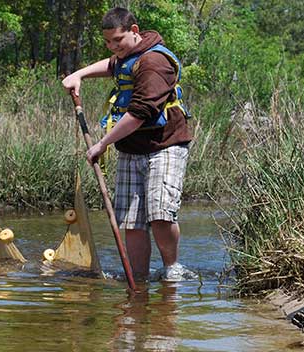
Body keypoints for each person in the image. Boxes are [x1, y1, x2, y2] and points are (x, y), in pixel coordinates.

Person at [61, 8, 193, 281]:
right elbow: (111, 65)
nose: (113, 47)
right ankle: (138, 277)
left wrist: (102, 144)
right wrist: (79, 74)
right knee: (132, 220)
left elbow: (140, 113)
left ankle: (172, 269)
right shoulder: (126, 56)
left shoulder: (155, 62)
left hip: (165, 145)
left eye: (117, 41)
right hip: (132, 147)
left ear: (134, 31)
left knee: (160, 213)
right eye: (108, 42)